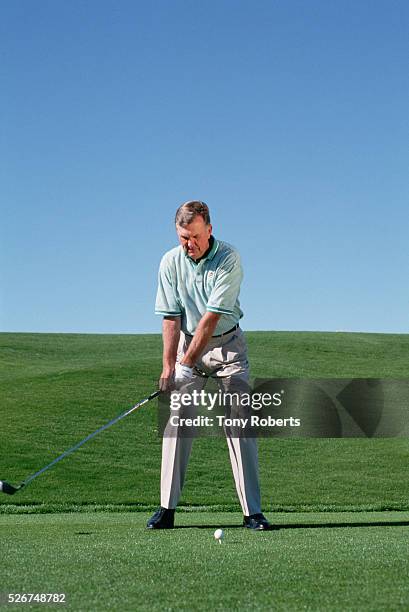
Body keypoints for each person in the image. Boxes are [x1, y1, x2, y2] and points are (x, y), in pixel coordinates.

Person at [147, 201, 273, 530]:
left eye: (196, 237)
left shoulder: (229, 259)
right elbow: (171, 318)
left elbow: (210, 319)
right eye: (183, 238)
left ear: (210, 230)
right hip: (188, 345)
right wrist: (169, 367)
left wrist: (184, 365)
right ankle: (166, 509)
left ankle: (252, 512)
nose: (190, 245)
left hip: (227, 347)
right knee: (177, 420)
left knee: (239, 422)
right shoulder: (170, 262)